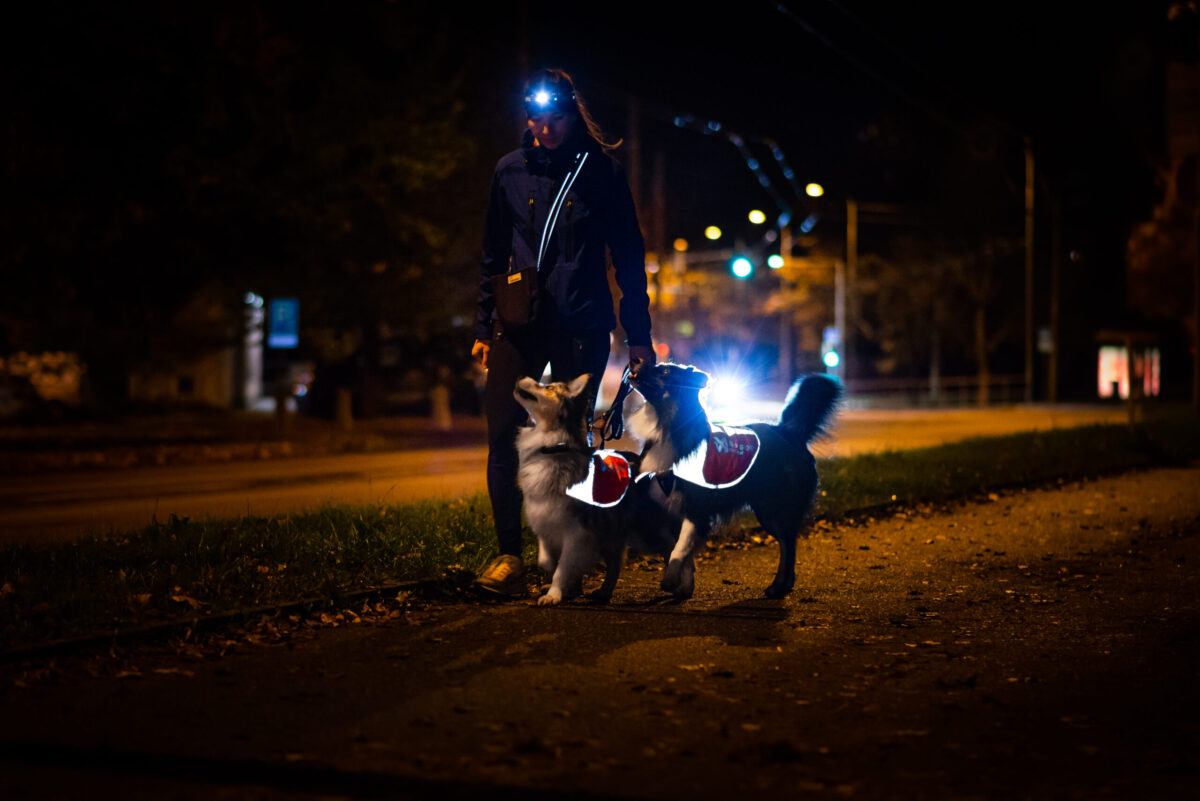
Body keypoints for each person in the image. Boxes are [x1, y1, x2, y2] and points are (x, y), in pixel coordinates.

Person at [471, 68, 656, 598]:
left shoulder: (602, 172)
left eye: (555, 118)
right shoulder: (508, 171)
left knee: (571, 445)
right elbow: (491, 254)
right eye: (536, 118)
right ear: (525, 118)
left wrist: (637, 334)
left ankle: (569, 555)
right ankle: (509, 558)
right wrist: (484, 324)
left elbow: (628, 255)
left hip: (582, 322)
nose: (544, 128)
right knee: (503, 435)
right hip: (519, 322)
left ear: (573, 115)